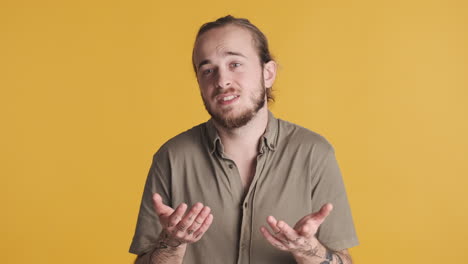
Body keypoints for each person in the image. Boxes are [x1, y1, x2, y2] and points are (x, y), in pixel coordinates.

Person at [129, 15, 359, 264]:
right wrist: (171, 243)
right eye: (207, 70)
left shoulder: (314, 153)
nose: (221, 81)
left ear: (268, 73)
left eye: (235, 64)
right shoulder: (172, 157)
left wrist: (308, 250)